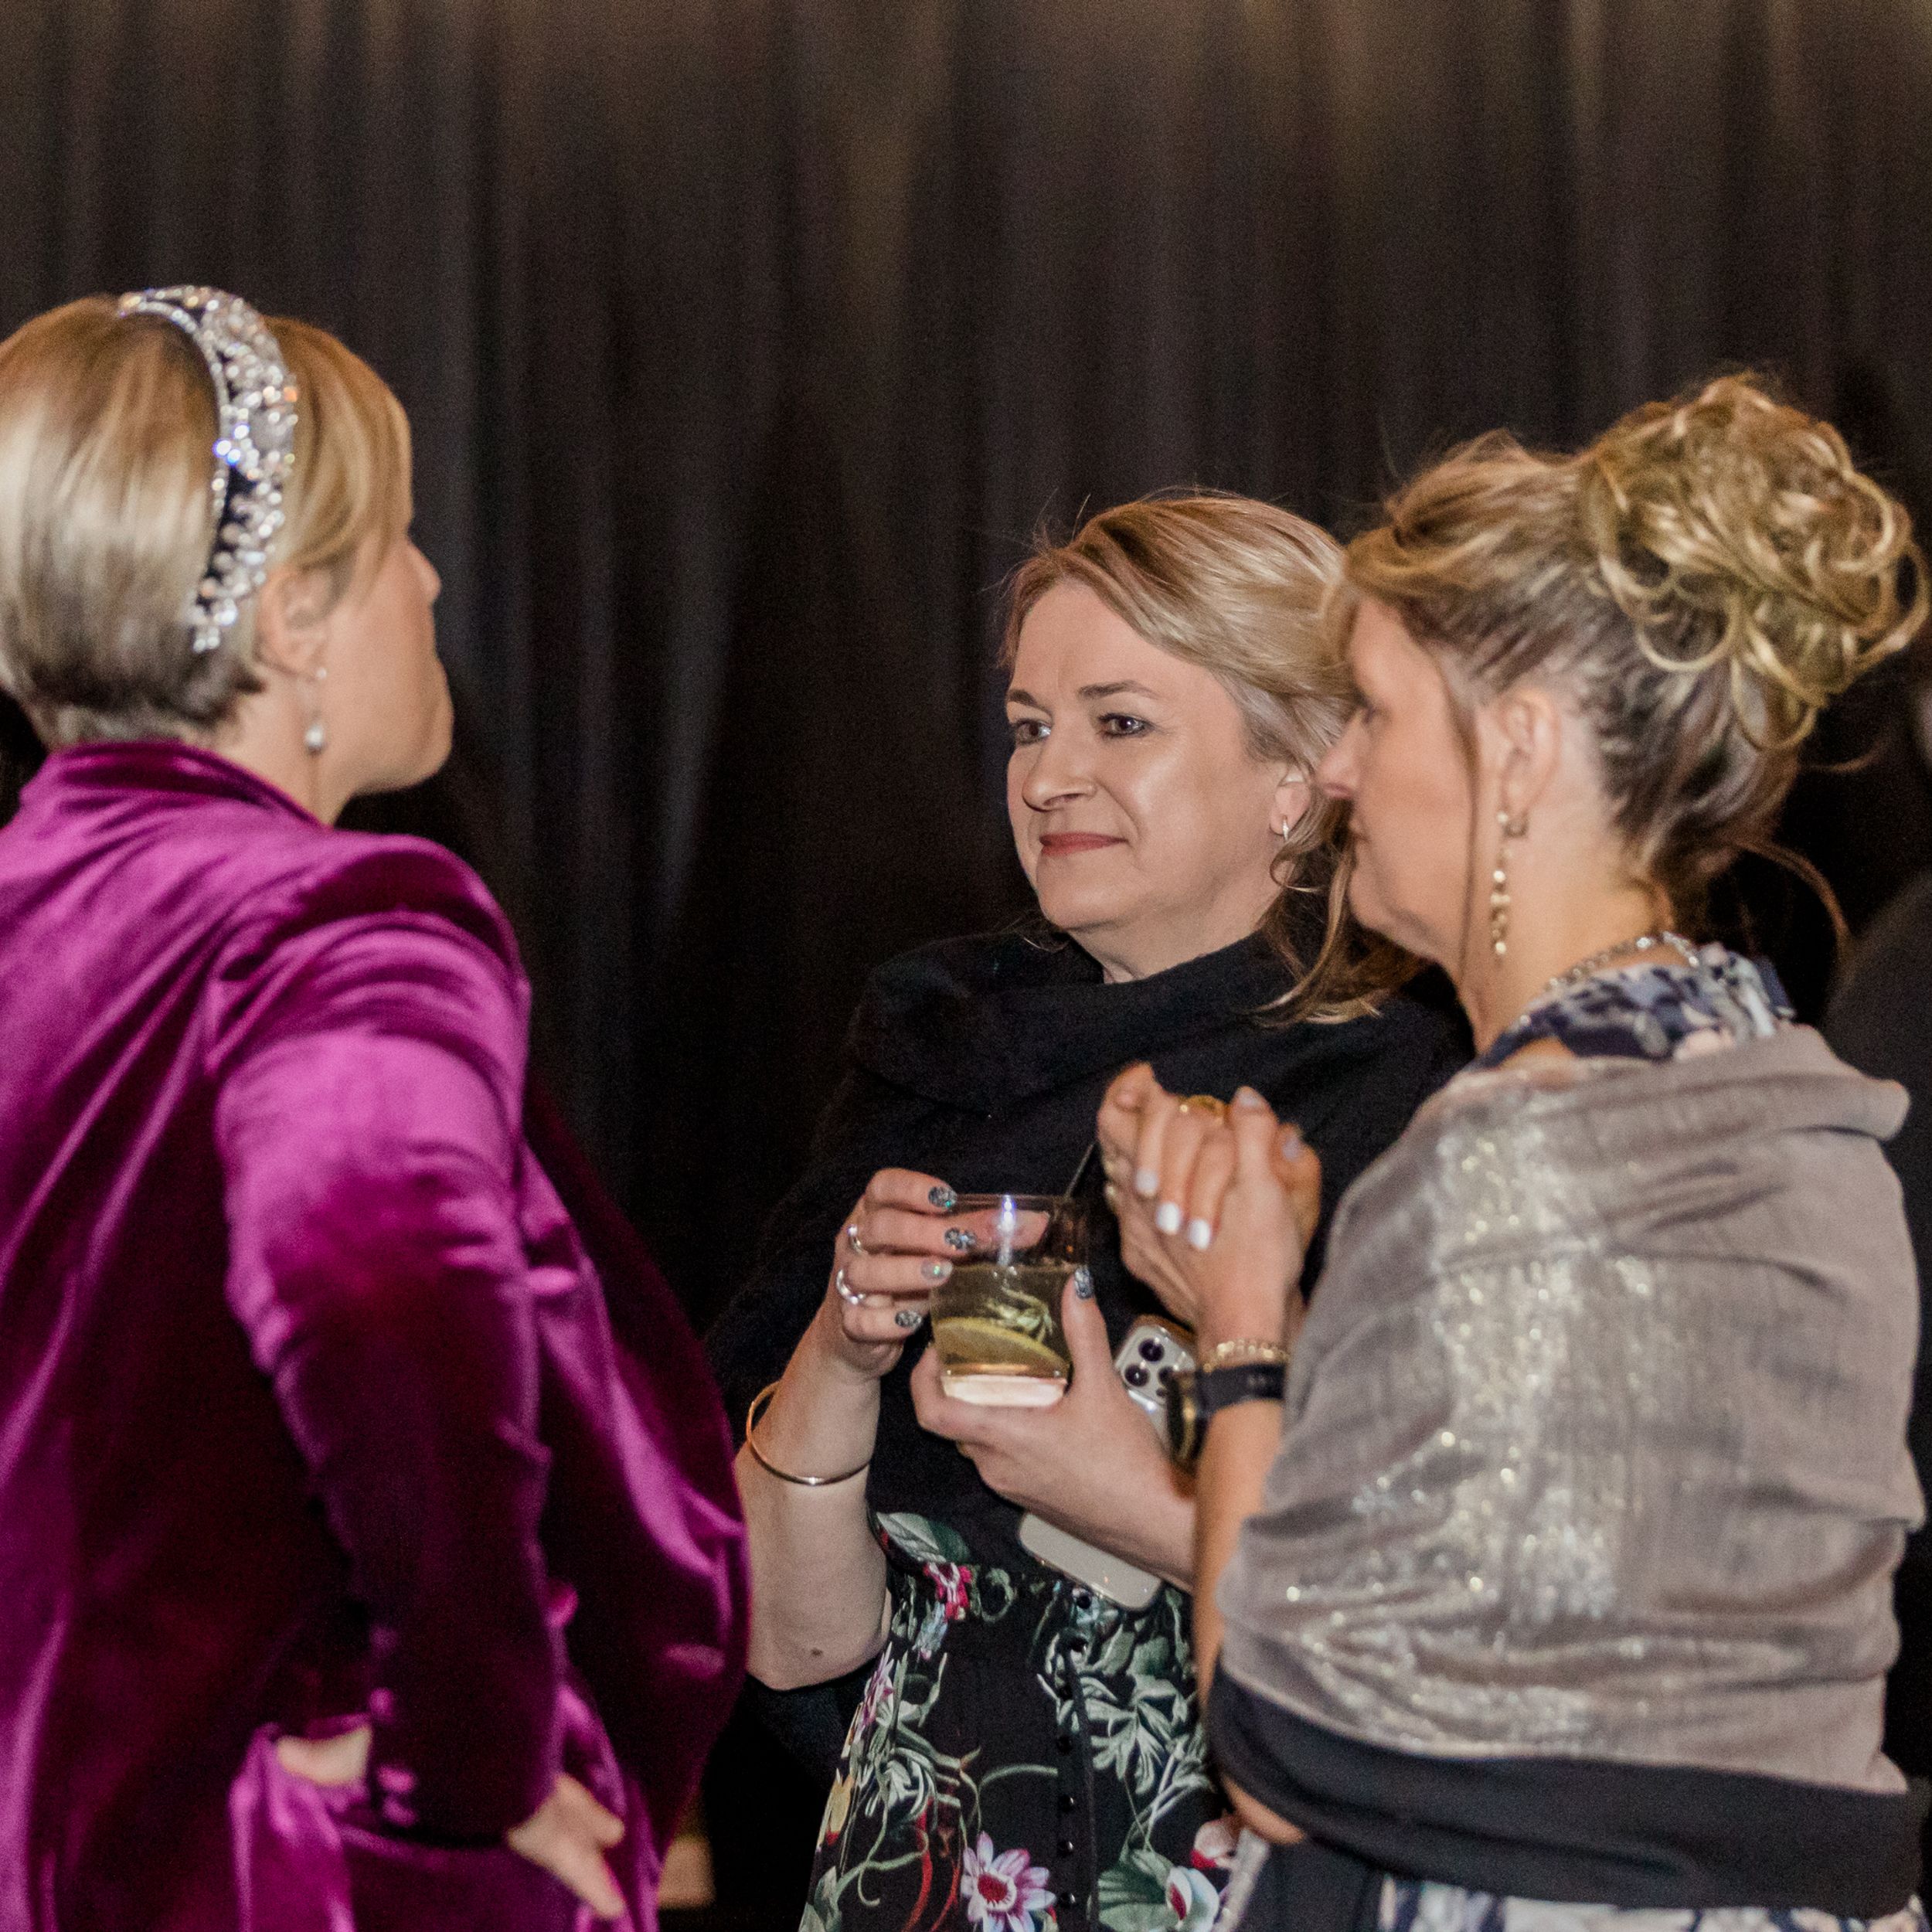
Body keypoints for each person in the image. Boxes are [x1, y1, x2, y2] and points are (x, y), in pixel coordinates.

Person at [1098, 375, 1930, 1932]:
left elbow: (1281, 1743)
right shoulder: (1803, 1113)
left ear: (1523, 752)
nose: (1336, 770)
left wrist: (1241, 1322)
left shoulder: (1504, 1164)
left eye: (1374, 708)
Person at [0, 288, 747, 1931]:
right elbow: (383, 1291)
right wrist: (469, 1770)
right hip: (241, 1874)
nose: (430, 583)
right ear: (291, 622)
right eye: (400, 538)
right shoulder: (336, 924)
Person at [706, 495, 1466, 1932]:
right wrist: (842, 1354)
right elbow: (787, 1646)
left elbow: (1463, 1612)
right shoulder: (933, 1053)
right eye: (1028, 726)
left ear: (1297, 771)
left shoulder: (1406, 1095)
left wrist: (1139, 1495)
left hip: (1251, 1868)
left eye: (1120, 724)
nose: (1050, 776)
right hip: (923, 1870)